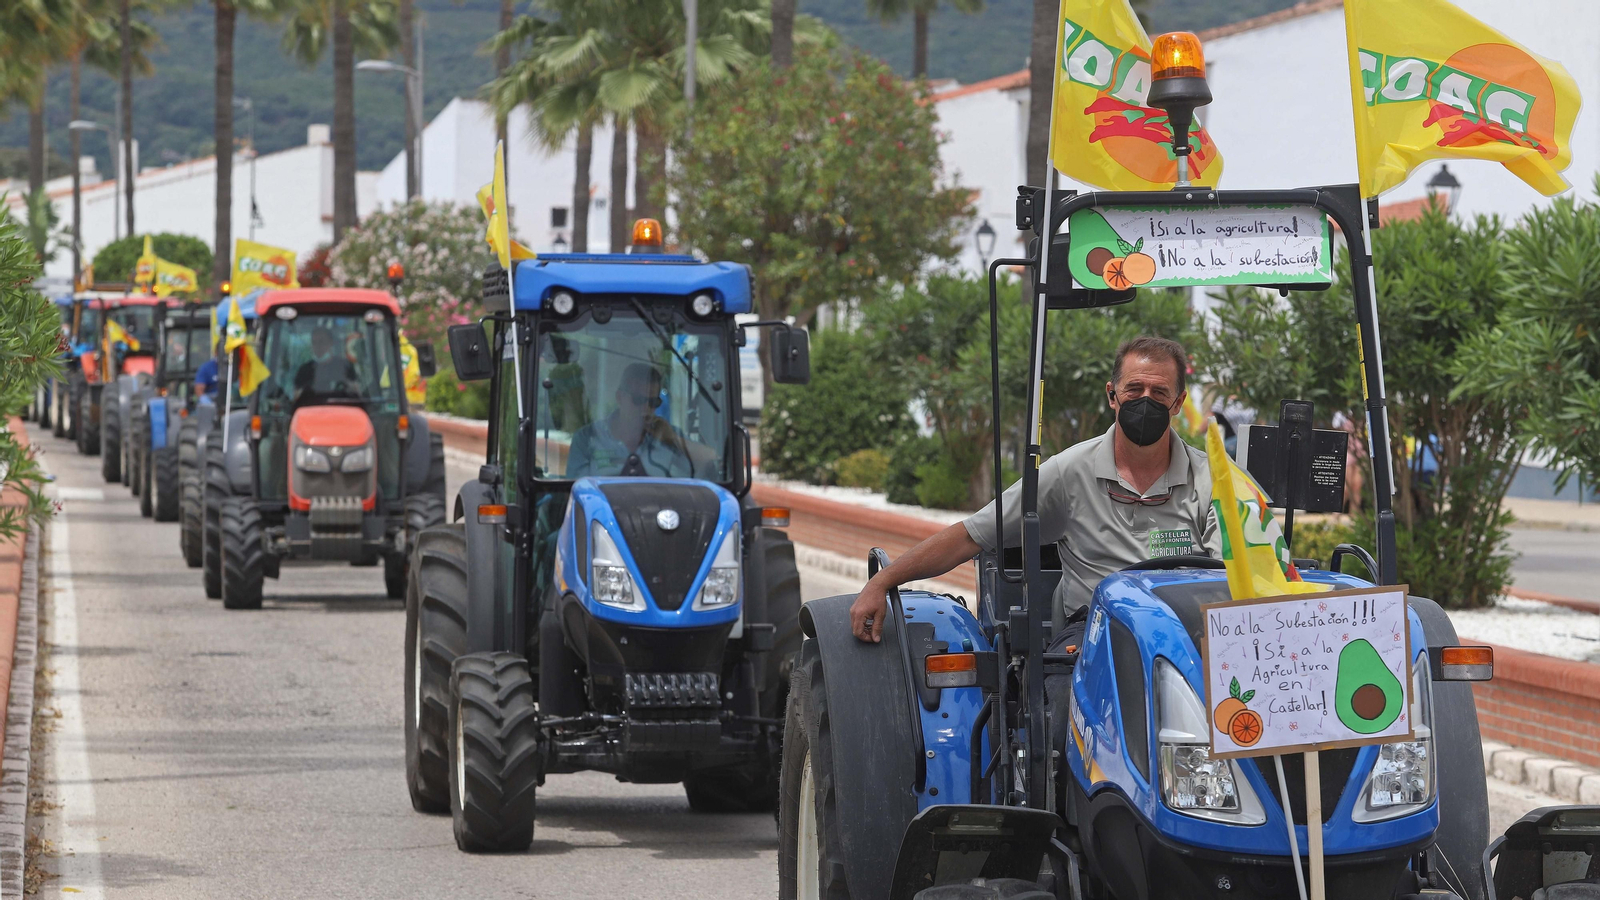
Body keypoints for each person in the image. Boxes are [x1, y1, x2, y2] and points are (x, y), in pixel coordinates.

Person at [849, 336, 1221, 644]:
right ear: (1112, 395)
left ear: (1178, 403)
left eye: (1159, 393)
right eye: (1134, 389)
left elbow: (1247, 578)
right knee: (1063, 713)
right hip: (1094, 633)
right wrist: (883, 581)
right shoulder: (1069, 471)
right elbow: (971, 536)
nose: (1146, 401)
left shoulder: (1215, 479)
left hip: (1188, 633)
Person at [566, 363, 712, 478]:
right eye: (638, 400)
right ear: (620, 397)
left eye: (653, 402)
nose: (646, 408)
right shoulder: (587, 438)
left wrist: (672, 439)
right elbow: (578, 492)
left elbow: (710, 462)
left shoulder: (667, 435)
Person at [293, 327, 360, 405]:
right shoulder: (304, 370)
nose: (318, 346)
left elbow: (356, 392)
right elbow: (296, 398)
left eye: (321, 342)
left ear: (330, 343)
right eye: (314, 342)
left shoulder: (345, 366)